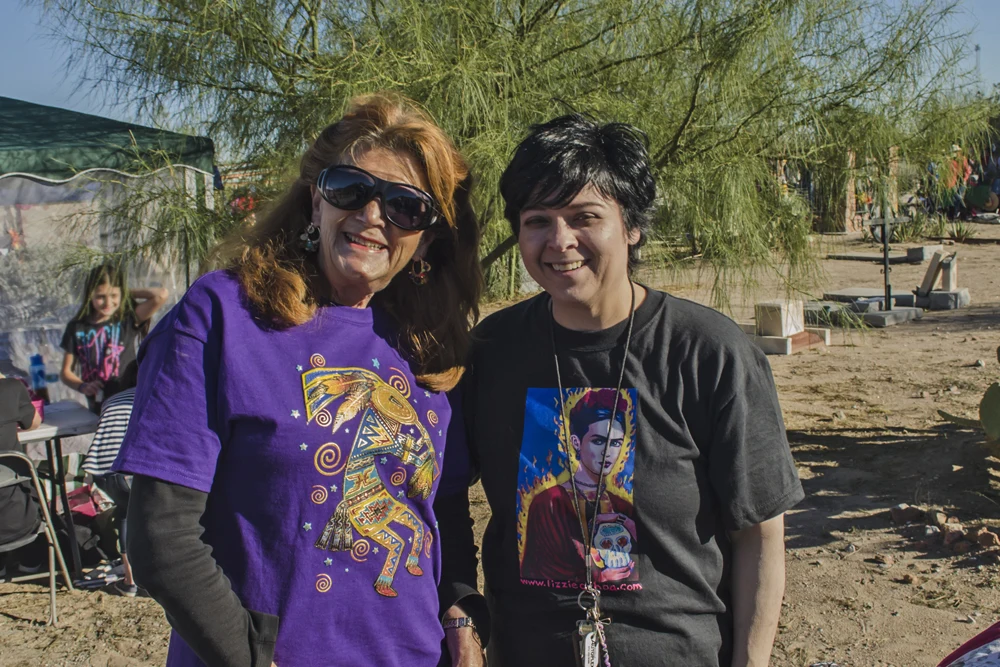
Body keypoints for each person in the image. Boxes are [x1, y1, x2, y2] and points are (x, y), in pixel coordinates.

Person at [113, 94, 486, 667]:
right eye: (350, 188)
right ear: (315, 199)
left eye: (405, 206)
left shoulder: (428, 348)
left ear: (428, 239)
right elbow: (162, 535)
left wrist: (460, 614)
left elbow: (440, 509)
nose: (372, 215)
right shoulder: (222, 316)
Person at [442, 114, 804, 667]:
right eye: (537, 221)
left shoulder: (709, 353)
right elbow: (440, 498)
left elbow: (759, 532)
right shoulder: (491, 352)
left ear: (631, 226)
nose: (560, 241)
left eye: (584, 217)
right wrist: (463, 616)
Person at [60, 263, 169, 413]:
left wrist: (124, 292)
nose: (108, 303)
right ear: (90, 295)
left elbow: (161, 295)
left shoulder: (127, 319)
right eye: (101, 297)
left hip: (128, 403)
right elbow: (66, 373)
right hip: (98, 407)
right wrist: (83, 386)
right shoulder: (77, 327)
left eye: (114, 296)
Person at [82, 360, 139, 596]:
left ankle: (130, 581)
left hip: (104, 472)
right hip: (133, 472)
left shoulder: (112, 400)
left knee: (125, 515)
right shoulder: (154, 395)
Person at [0, 372, 43, 572]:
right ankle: (30, 560)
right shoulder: (10, 387)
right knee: (27, 487)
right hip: (20, 522)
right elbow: (34, 422)